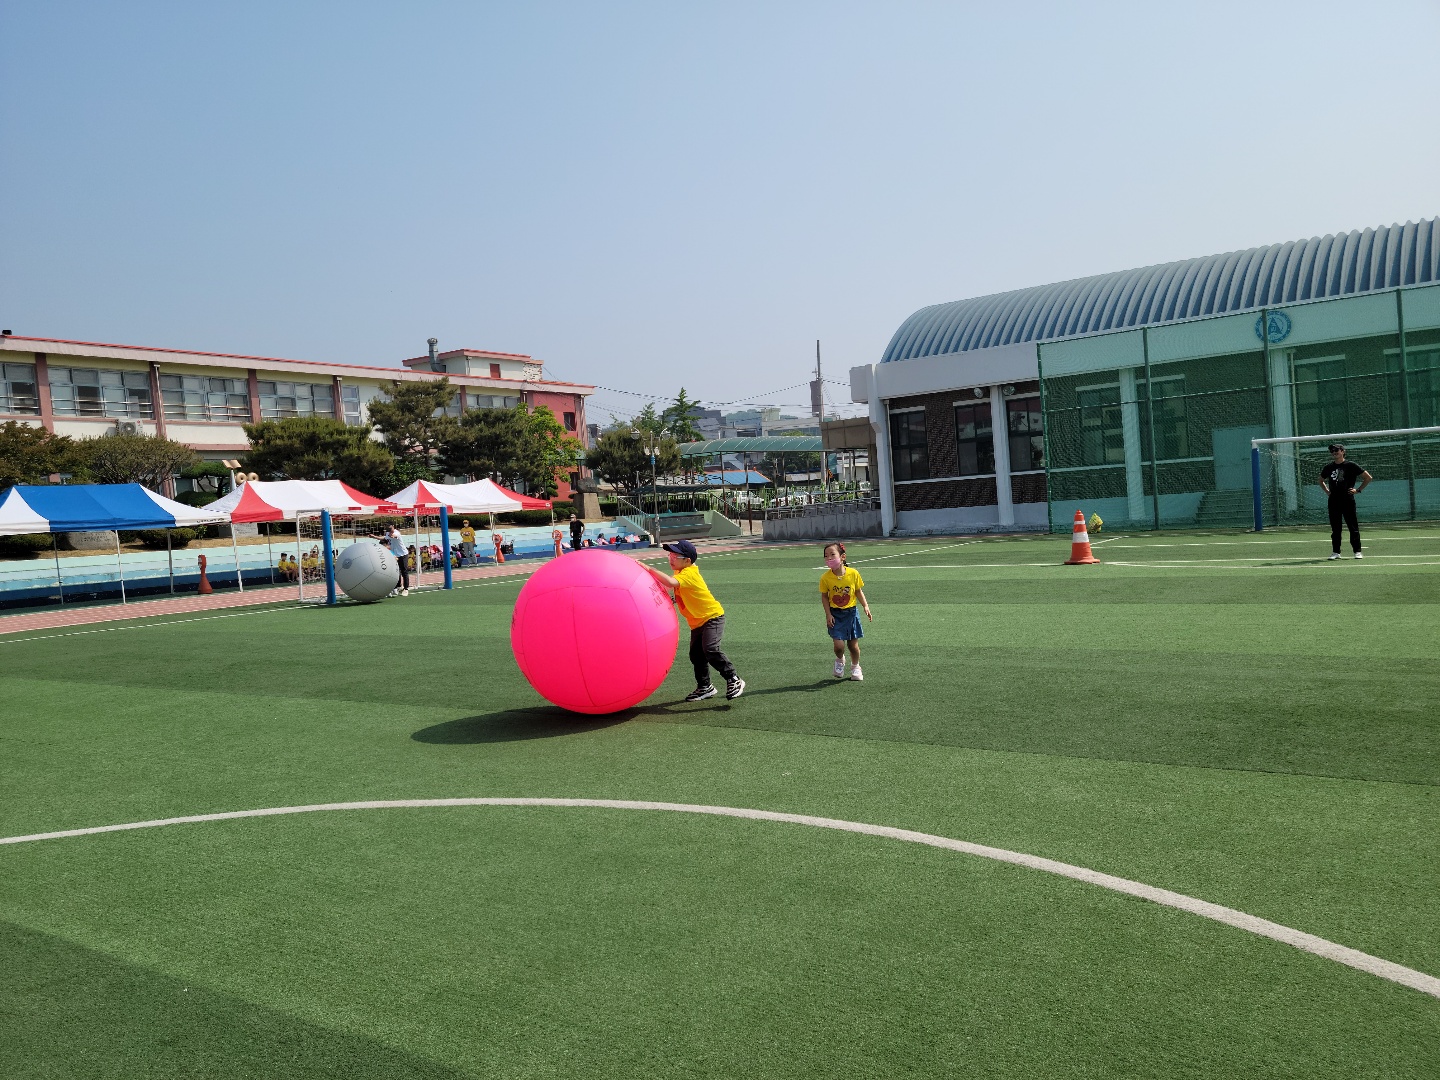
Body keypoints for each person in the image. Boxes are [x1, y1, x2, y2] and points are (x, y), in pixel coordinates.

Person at [643, 538, 744, 702]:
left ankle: (733, 679)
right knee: (696, 655)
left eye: (675, 555)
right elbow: (677, 589)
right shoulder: (681, 572)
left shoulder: (689, 573)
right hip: (697, 622)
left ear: (687, 560)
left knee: (710, 649)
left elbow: (669, 583)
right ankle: (705, 687)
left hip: (712, 617)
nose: (671, 558)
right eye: (670, 555)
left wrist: (648, 569)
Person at [819, 541, 872, 681]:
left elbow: (858, 591)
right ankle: (840, 660)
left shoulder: (853, 574)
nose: (829, 558)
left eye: (832, 555)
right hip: (835, 614)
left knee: (853, 645)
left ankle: (855, 667)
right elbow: (824, 597)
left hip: (851, 613)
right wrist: (828, 614)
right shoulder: (825, 578)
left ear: (843, 557)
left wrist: (865, 606)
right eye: (826, 556)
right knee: (838, 646)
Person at [1319, 443, 1371, 560]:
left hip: (1347, 500)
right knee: (1335, 528)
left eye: (1336, 450)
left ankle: (1357, 551)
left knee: (1353, 526)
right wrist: (1327, 491)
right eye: (1332, 451)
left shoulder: (1351, 465)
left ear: (1343, 451)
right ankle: (1336, 552)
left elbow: (1368, 477)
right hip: (1333, 501)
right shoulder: (1328, 467)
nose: (1334, 452)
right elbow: (1321, 480)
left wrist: (1358, 490)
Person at [381, 525, 409, 594]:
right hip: (396, 555)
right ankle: (399, 586)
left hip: (403, 554)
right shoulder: (387, 533)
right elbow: (384, 538)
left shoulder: (397, 533)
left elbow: (395, 536)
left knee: (404, 571)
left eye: (391, 528)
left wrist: (392, 536)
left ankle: (406, 589)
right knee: (396, 571)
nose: (390, 530)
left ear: (393, 527)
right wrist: (374, 537)